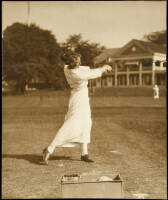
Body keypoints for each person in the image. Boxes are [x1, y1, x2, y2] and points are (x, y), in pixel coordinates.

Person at [42, 53, 112, 165]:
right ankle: (49, 149)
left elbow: (86, 69)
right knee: (72, 123)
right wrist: (104, 68)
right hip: (79, 98)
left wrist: (102, 66)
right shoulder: (77, 74)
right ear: (74, 64)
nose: (80, 63)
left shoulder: (67, 68)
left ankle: (84, 154)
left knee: (86, 123)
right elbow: (91, 73)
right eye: (78, 61)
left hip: (80, 97)